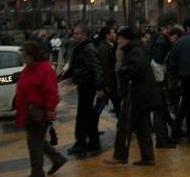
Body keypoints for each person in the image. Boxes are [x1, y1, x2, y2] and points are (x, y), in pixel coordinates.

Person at [104, 27, 158, 166]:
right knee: (142, 126)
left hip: (137, 94)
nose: (118, 40)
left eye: (120, 38)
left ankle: (120, 156)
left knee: (124, 124)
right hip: (142, 94)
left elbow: (137, 69)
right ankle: (147, 157)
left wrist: (122, 70)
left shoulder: (135, 51)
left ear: (126, 38)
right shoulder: (135, 49)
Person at [15, 41, 66, 177]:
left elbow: (51, 91)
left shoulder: (44, 69)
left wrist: (50, 109)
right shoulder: (28, 69)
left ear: (33, 55)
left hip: (38, 111)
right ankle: (57, 159)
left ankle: (37, 173)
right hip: (29, 111)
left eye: (25, 56)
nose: (23, 59)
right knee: (37, 141)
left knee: (34, 143)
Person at [59, 25, 103, 155]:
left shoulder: (87, 49)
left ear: (84, 34)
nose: (74, 36)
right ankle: (91, 142)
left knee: (84, 116)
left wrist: (99, 86)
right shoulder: (81, 47)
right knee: (87, 116)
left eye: (77, 33)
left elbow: (95, 68)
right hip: (84, 84)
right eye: (74, 33)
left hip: (87, 86)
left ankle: (82, 143)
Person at [95, 25, 119, 118]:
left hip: (110, 83)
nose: (115, 34)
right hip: (108, 84)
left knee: (117, 105)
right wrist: (107, 85)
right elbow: (104, 68)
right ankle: (91, 128)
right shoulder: (103, 49)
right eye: (113, 32)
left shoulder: (109, 46)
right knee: (99, 106)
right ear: (107, 35)